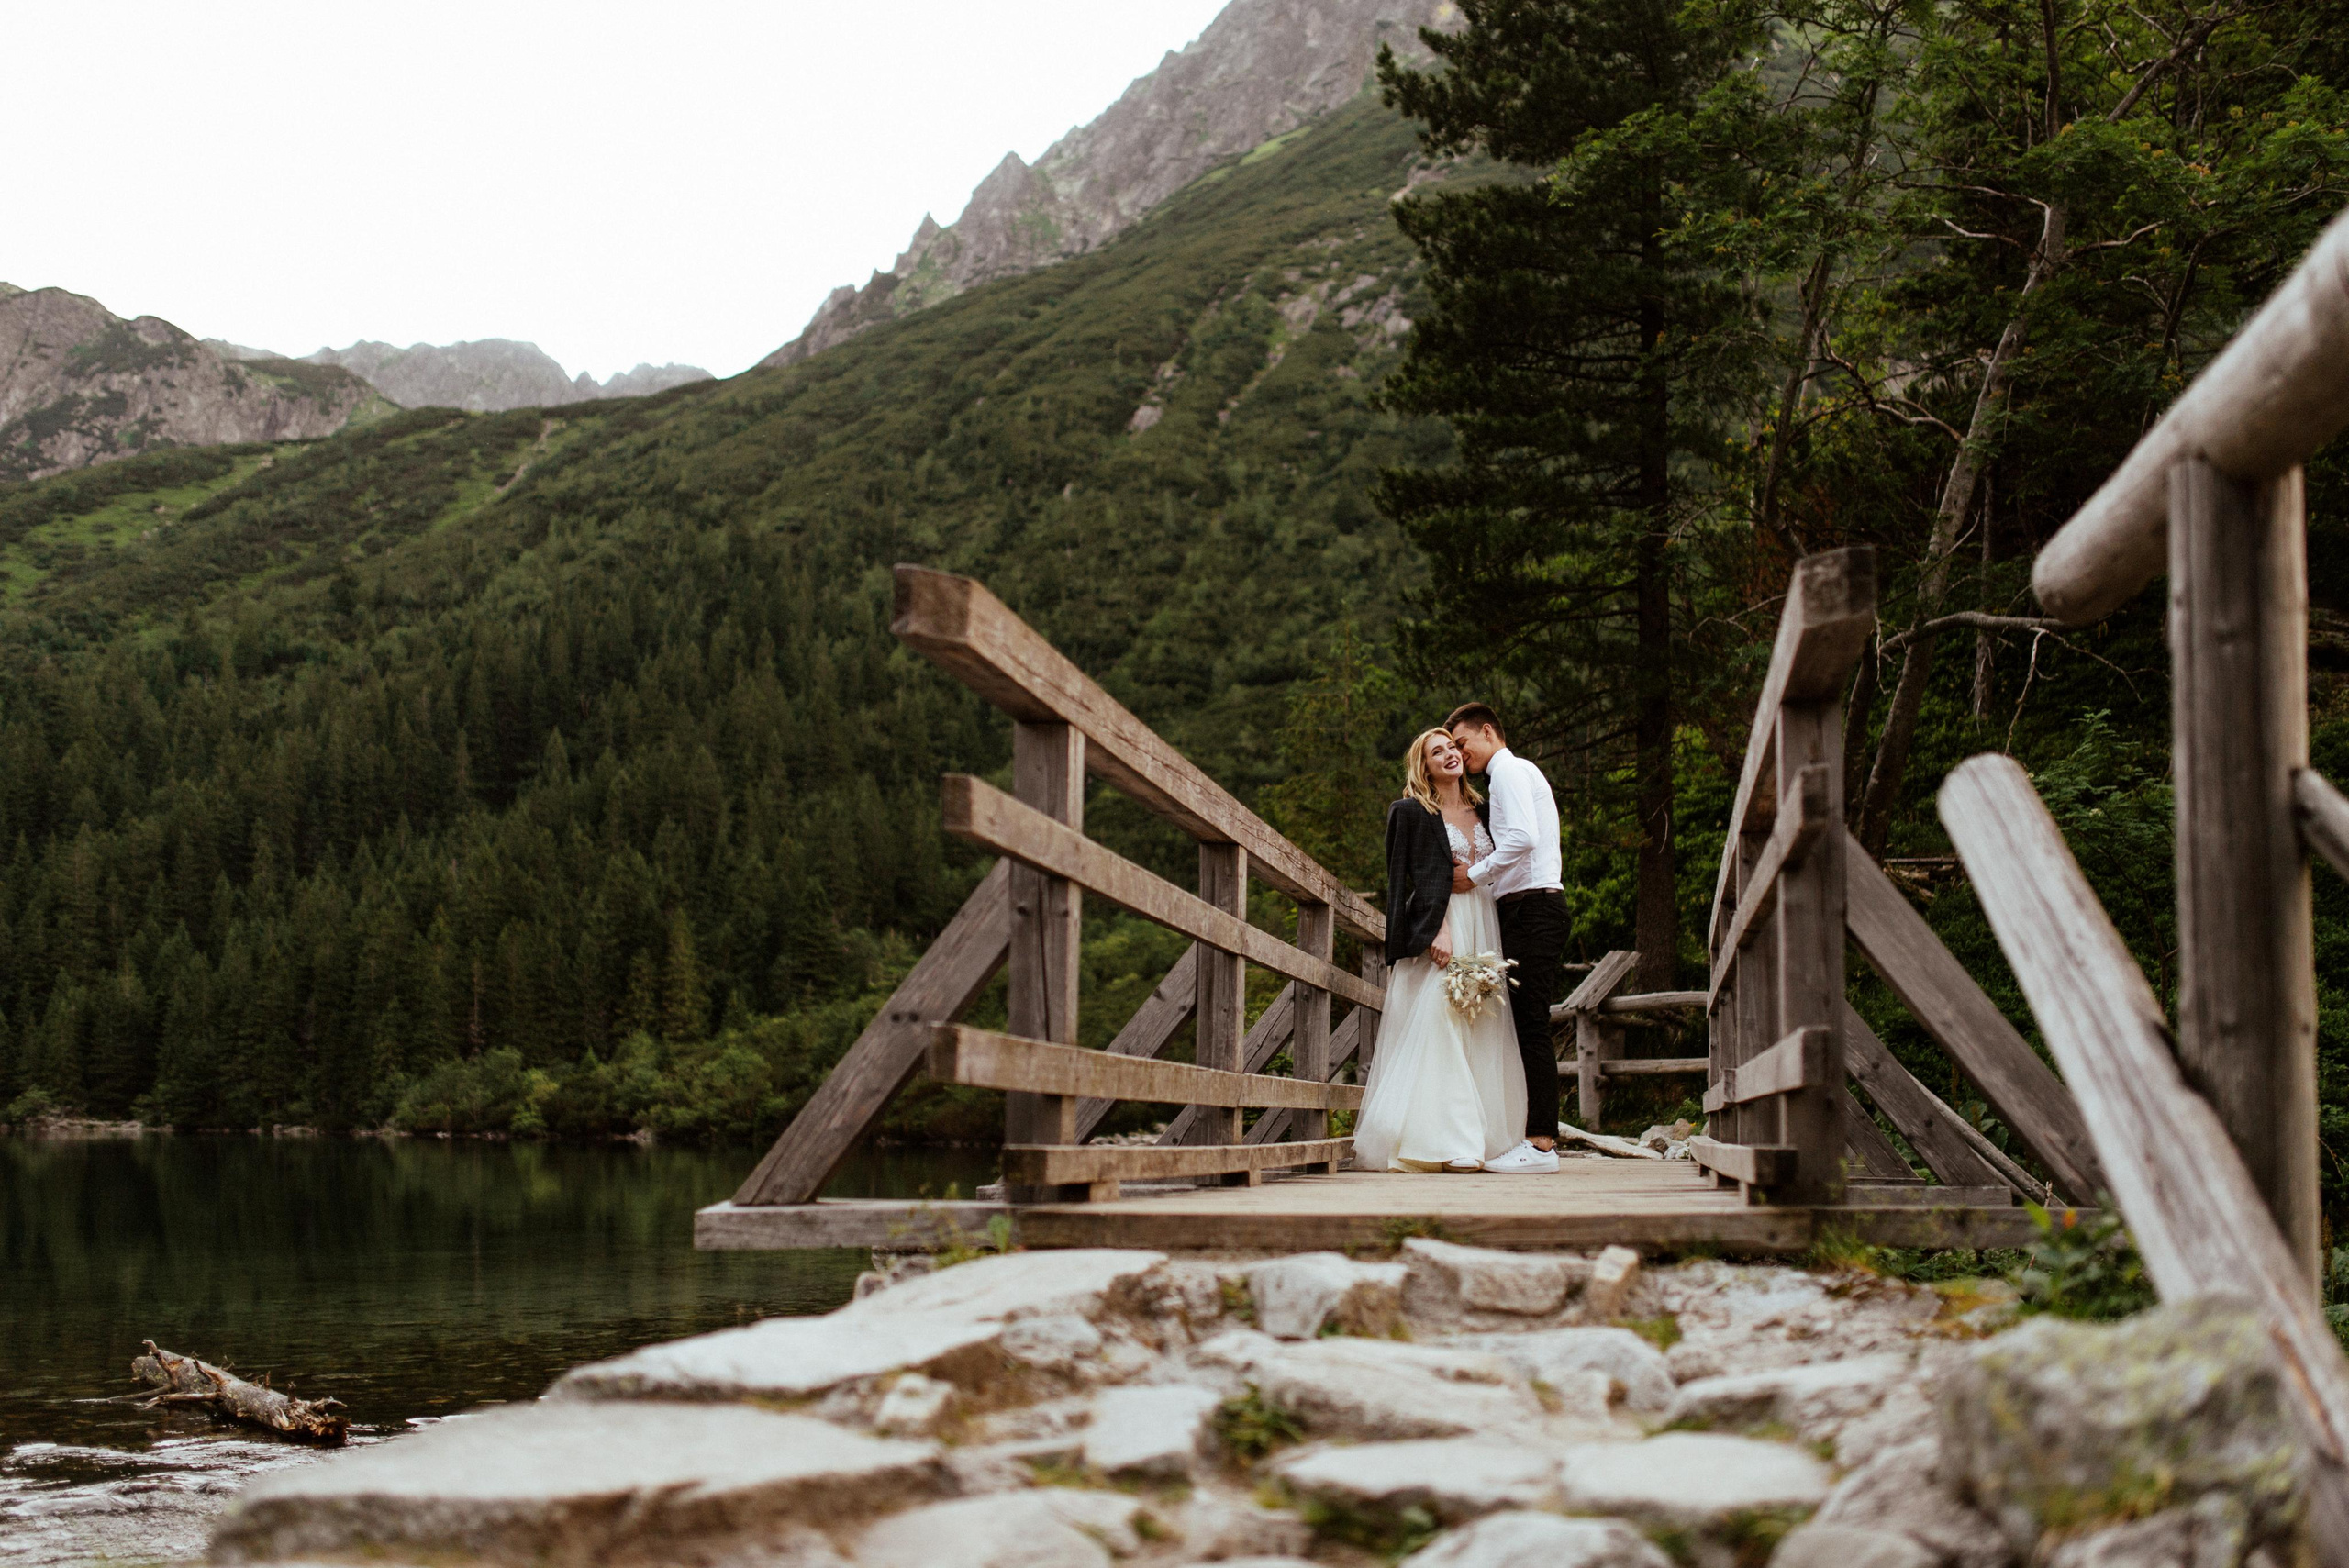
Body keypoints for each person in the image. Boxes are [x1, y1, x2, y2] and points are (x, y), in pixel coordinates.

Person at [1352, 728, 1527, 1172]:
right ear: (1424, 766)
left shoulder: (1484, 809)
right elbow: (1404, 879)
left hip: (1485, 923)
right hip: (1442, 924)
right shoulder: (1411, 811)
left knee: (1481, 1022)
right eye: (1437, 751)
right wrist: (1436, 929)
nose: (1449, 754)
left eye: (1452, 747)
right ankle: (1446, 1142)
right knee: (1441, 1016)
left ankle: (1484, 1138)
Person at [1447, 702, 1567, 1174]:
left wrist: (1474, 876)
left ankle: (1540, 1144)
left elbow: (1523, 838)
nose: (1461, 754)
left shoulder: (1510, 772)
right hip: (1526, 908)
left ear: (1488, 731)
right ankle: (1534, 1137)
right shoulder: (1511, 775)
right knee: (1526, 1023)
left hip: (1534, 908)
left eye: (1463, 743)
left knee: (1532, 1024)